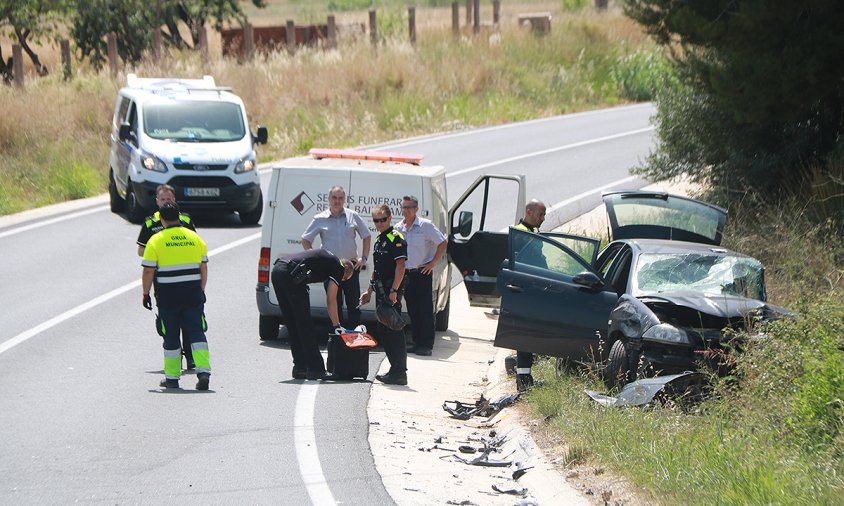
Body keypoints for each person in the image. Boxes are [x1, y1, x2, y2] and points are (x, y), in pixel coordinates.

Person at [141, 203, 211, 390]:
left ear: (162, 219)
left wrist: (145, 293)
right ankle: (203, 372)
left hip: (168, 296)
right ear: (179, 217)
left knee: (170, 334)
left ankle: (172, 378)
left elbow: (149, 271)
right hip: (192, 293)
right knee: (197, 331)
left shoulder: (155, 240)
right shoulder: (195, 238)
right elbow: (203, 267)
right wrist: (201, 290)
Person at [137, 184, 197, 370]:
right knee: (168, 320)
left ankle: (191, 357)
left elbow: (195, 245)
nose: (165, 202)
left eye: (169, 199)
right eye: (162, 200)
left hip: (187, 276)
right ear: (156, 201)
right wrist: (160, 250)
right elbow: (141, 250)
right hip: (162, 278)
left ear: (175, 200)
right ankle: (175, 356)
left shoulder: (185, 220)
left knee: (190, 319)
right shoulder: (149, 223)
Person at [271, 249, 354, 380]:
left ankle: (300, 367)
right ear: (347, 269)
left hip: (278, 271)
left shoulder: (328, 259)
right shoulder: (339, 267)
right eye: (343, 279)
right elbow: (331, 299)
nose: (341, 281)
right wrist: (337, 325)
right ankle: (316, 369)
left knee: (292, 323)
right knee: (305, 325)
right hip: (291, 274)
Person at [301, 186, 371, 329]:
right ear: (329, 199)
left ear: (344, 199)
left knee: (354, 304)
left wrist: (363, 258)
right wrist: (314, 258)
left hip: (351, 267)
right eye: (334, 197)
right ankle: (338, 335)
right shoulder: (319, 219)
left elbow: (367, 235)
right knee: (334, 304)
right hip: (331, 268)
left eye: (340, 198)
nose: (337, 201)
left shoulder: (353, 216)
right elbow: (305, 239)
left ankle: (355, 336)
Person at [359, 204, 408, 385]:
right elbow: (377, 270)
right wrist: (369, 291)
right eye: (376, 220)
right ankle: (394, 369)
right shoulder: (380, 239)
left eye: (382, 220)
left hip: (391, 291)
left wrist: (394, 291)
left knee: (394, 329)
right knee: (383, 330)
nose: (379, 223)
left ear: (389, 218)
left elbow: (401, 266)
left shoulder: (396, 238)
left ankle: (400, 372)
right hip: (380, 290)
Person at [394, 195, 446, 356]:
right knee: (413, 310)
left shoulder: (425, 225)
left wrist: (433, 263)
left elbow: (442, 242)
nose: (406, 210)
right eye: (404, 207)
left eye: (410, 207)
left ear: (416, 209)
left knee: (425, 309)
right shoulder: (398, 228)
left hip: (422, 273)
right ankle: (417, 342)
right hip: (406, 274)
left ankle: (426, 345)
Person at [512, 199, 547, 392]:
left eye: (543, 215)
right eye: (540, 214)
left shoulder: (530, 232)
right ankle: (523, 380)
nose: (542, 219)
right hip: (525, 292)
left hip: (532, 291)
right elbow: (534, 262)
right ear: (529, 212)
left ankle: (525, 375)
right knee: (524, 335)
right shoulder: (521, 233)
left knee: (530, 334)